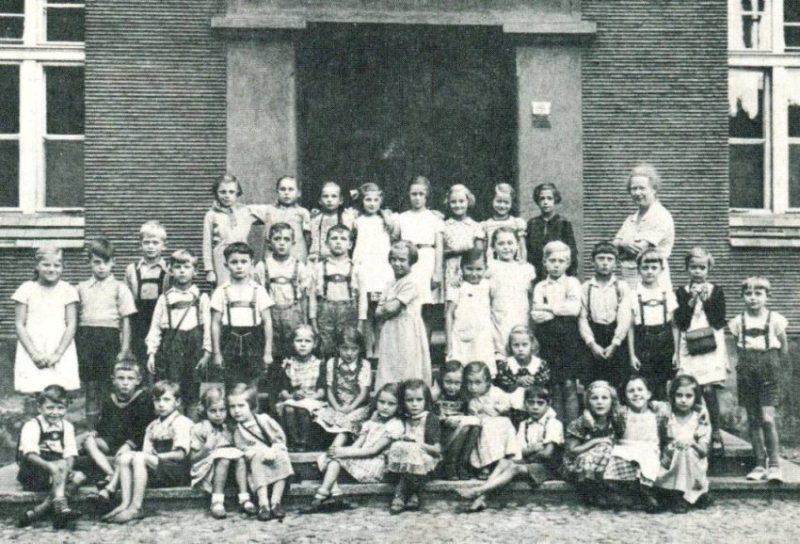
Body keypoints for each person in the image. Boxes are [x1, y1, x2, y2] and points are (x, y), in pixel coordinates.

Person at [457, 385, 564, 513]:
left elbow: (547, 454)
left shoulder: (553, 424)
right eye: (531, 403)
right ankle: (481, 499)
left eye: (540, 403)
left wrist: (528, 452)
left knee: (514, 467)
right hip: (530, 464)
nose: (535, 407)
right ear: (525, 404)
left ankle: (479, 490)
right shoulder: (524, 424)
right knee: (503, 462)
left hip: (549, 468)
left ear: (548, 404)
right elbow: (519, 451)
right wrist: (533, 449)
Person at [102, 381, 193, 524]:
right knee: (126, 457)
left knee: (138, 457)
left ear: (178, 402)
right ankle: (125, 504)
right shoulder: (152, 425)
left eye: (166, 400)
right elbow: (145, 453)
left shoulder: (182, 422)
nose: (161, 404)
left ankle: (136, 507)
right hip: (157, 470)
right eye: (157, 400)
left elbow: (180, 455)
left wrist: (156, 456)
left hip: (176, 470)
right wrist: (147, 457)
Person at [727, 276, 788, 483]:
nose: (753, 298)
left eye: (758, 293)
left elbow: (783, 349)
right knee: (753, 420)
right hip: (747, 372)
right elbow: (738, 348)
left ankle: (774, 465)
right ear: (743, 296)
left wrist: (776, 371)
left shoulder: (776, 320)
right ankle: (759, 463)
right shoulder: (737, 323)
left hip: (769, 371)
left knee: (767, 419)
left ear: (767, 297)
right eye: (748, 294)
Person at [310, 382, 404, 512]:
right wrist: (343, 451)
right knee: (327, 456)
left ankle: (322, 494)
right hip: (362, 459)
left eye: (391, 404)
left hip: (375, 465)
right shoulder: (371, 422)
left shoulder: (395, 426)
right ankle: (335, 493)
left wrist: (343, 453)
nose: (385, 407)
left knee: (336, 458)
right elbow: (357, 444)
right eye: (382, 402)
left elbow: (373, 451)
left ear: (399, 407)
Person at [673, 247, 729, 455]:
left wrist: (706, 301)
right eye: (693, 267)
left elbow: (718, 321)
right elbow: (681, 322)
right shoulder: (681, 292)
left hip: (711, 343)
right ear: (687, 268)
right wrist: (690, 301)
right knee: (691, 387)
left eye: (702, 268)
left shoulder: (717, 290)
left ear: (709, 269)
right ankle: (693, 430)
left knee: (708, 389)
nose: (697, 271)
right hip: (690, 342)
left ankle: (715, 432)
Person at [76, 237, 137, 425]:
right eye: (97, 262)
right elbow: (73, 318)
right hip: (86, 338)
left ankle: (110, 430)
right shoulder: (80, 288)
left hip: (109, 339)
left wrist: (125, 348)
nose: (102, 267)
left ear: (114, 262)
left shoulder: (121, 288)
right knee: (91, 389)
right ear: (89, 263)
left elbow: (126, 320)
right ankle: (91, 430)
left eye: (106, 262)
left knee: (111, 388)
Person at [146, 249, 211, 411]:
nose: (182, 271)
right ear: (170, 270)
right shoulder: (165, 298)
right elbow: (155, 327)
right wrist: (152, 353)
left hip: (194, 347)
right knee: (173, 388)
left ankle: (192, 430)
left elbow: (208, 327)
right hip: (172, 347)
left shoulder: (201, 297)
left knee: (193, 391)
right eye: (177, 267)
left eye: (187, 267)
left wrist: (207, 352)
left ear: (195, 271)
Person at [16, 385, 85, 529]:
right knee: (59, 463)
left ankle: (42, 510)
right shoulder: (32, 425)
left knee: (79, 476)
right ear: (39, 408)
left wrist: (67, 469)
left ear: (66, 408)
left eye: (60, 408)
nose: (55, 412)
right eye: (50, 408)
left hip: (58, 471)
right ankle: (58, 506)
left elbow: (70, 453)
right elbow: (29, 455)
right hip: (34, 471)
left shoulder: (67, 427)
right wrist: (52, 467)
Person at [13, 245, 80, 394]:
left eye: (57, 265)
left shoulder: (68, 290)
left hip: (60, 348)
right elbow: (19, 324)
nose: (51, 269)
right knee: (35, 393)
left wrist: (58, 354)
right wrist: (34, 354)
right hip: (33, 348)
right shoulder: (26, 289)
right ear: (37, 265)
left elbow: (71, 324)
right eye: (46, 264)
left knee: (58, 394)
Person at [84, 358, 154, 498]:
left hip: (133, 443)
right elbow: (104, 425)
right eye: (121, 378)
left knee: (124, 453)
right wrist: (95, 433)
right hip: (112, 441)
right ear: (114, 380)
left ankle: (112, 480)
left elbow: (145, 428)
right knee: (88, 441)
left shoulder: (143, 399)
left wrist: (130, 444)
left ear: (138, 380)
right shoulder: (110, 399)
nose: (125, 383)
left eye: (130, 378)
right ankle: (110, 473)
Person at [210, 242, 274, 389]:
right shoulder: (221, 291)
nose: (239, 266)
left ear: (251, 264)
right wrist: (217, 353)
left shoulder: (258, 290)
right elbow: (215, 323)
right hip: (229, 340)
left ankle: (252, 410)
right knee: (232, 385)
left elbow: (267, 321)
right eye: (234, 262)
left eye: (243, 262)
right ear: (226, 265)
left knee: (252, 385)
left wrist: (267, 352)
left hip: (254, 340)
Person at [531, 240, 583, 423]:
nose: (556, 265)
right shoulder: (540, 287)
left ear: (568, 263)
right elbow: (536, 314)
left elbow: (574, 309)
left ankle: (572, 430)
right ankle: (555, 431)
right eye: (552, 261)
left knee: (569, 385)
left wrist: (549, 309)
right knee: (551, 385)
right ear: (544, 262)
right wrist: (559, 309)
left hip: (568, 338)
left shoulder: (572, 282)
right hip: (547, 339)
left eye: (561, 261)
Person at [229, 383, 294, 522]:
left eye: (241, 406)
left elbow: (280, 438)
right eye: (232, 407)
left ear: (252, 406)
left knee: (282, 454)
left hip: (272, 453)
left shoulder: (264, 419)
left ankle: (276, 502)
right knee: (257, 458)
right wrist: (259, 452)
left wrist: (274, 449)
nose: (236, 411)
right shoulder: (237, 429)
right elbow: (243, 449)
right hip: (256, 461)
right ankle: (263, 504)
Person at [602, 375, 667, 512]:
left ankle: (646, 495)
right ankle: (623, 496)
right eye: (631, 391)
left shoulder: (658, 412)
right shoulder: (621, 413)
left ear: (649, 394)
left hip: (649, 450)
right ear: (625, 397)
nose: (636, 394)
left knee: (648, 466)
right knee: (616, 463)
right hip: (626, 449)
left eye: (640, 390)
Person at [374, 241, 431, 390]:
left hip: (407, 330)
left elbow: (391, 308)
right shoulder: (389, 283)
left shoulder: (412, 282)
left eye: (402, 260)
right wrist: (388, 307)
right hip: (390, 330)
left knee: (407, 364)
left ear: (411, 261)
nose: (397, 264)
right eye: (394, 259)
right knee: (390, 364)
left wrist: (388, 306)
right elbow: (377, 312)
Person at [189, 387, 250, 519]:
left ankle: (244, 498)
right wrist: (207, 447)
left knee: (239, 458)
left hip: (232, 473)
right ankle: (216, 501)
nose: (218, 414)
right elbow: (193, 459)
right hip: (208, 472)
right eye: (213, 411)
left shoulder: (230, 427)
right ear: (204, 411)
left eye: (222, 410)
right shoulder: (200, 429)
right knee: (224, 458)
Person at [254, 222, 310, 364]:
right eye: (277, 239)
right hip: (270, 315)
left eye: (286, 239)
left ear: (293, 242)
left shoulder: (299, 266)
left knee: (294, 350)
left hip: (293, 313)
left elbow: (304, 296)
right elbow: (256, 295)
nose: (281, 243)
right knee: (271, 351)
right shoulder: (262, 266)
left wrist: (304, 320)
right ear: (269, 242)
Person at [579, 242, 632, 392]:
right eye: (600, 258)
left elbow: (625, 316)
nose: (604, 263)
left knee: (618, 383)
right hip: (594, 337)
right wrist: (591, 344)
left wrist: (615, 343)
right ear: (592, 261)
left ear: (616, 263)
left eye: (609, 259)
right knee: (593, 384)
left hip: (616, 338)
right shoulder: (586, 287)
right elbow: (582, 318)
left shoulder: (621, 286)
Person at [352, 182, 397, 358]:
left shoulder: (386, 221)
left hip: (381, 269)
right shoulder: (357, 221)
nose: (371, 203)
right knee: (367, 312)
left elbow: (394, 232)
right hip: (365, 269)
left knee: (380, 311)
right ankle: (369, 350)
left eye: (375, 200)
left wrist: (386, 216)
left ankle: (380, 350)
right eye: (367, 199)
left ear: (381, 201)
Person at [613, 163, 674, 290]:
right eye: (633, 189)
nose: (637, 193)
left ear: (654, 189)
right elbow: (613, 247)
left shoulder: (660, 215)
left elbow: (639, 249)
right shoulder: (631, 219)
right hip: (629, 280)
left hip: (654, 282)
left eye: (642, 188)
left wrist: (622, 244)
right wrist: (624, 245)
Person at [395, 176, 444, 337]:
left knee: (426, 307)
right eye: (413, 194)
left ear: (426, 196)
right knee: (409, 303)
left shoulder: (434, 218)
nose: (417, 198)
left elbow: (439, 247)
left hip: (427, 261)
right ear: (408, 195)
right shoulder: (401, 218)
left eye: (421, 194)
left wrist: (437, 272)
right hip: (409, 261)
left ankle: (426, 348)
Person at [655, 375, 712, 512]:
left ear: (695, 397)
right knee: (679, 451)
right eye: (679, 395)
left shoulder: (699, 417)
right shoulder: (667, 414)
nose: (683, 400)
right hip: (669, 461)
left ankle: (683, 496)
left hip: (693, 460)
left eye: (688, 396)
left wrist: (692, 443)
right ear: (673, 396)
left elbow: (704, 450)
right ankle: (677, 493)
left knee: (685, 451)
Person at [202, 174, 270, 286]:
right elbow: (207, 244)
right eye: (223, 192)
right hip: (221, 259)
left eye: (231, 192)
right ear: (216, 193)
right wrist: (209, 270)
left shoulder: (246, 211)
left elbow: (271, 213)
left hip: (242, 256)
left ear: (237, 193)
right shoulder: (211, 215)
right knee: (224, 290)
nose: (227, 196)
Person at [628, 248, 678, 400]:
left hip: (664, 344)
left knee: (662, 387)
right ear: (638, 270)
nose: (649, 272)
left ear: (661, 270)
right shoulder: (633, 294)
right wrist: (632, 355)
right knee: (644, 385)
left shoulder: (668, 294)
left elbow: (675, 326)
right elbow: (630, 327)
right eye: (645, 268)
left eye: (654, 268)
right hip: (643, 344)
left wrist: (676, 352)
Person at [386, 379, 441, 514]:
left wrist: (417, 444)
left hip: (428, 461)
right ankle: (413, 495)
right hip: (404, 462)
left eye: (419, 400)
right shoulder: (403, 418)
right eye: (409, 400)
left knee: (413, 452)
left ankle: (400, 495)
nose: (414, 404)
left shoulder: (430, 419)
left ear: (426, 400)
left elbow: (437, 450)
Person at [561, 380, 619, 507]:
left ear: (612, 401)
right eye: (594, 398)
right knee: (604, 446)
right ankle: (592, 490)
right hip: (577, 466)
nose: (600, 402)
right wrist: (596, 441)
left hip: (605, 465)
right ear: (588, 402)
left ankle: (604, 488)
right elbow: (572, 451)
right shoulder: (580, 423)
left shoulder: (615, 421)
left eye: (604, 398)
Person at [314, 326, 372, 447]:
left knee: (349, 420)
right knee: (321, 416)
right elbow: (329, 389)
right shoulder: (332, 363)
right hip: (337, 404)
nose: (349, 353)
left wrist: (351, 407)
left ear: (360, 349)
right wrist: (336, 406)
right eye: (345, 348)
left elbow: (363, 392)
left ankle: (339, 445)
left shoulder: (364, 365)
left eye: (354, 349)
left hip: (356, 406)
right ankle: (329, 443)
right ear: (337, 348)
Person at [309, 224, 360, 360]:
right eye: (334, 238)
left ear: (350, 244)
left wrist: (361, 321)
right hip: (325, 311)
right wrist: (313, 319)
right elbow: (312, 296)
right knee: (325, 346)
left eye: (343, 239)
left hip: (348, 311)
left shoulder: (355, 267)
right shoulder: (319, 267)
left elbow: (362, 298)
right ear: (326, 243)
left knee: (346, 343)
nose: (338, 242)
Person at [125, 221, 171, 368]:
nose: (150, 246)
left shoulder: (169, 270)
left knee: (160, 363)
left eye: (155, 242)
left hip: (161, 322)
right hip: (138, 323)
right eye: (146, 242)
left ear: (164, 245)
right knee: (139, 362)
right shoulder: (131, 270)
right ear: (140, 245)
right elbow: (126, 301)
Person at [464, 361, 520, 479]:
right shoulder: (472, 400)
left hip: (500, 424)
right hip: (485, 425)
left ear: (488, 382)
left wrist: (497, 408)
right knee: (483, 427)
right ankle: (486, 464)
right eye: (470, 383)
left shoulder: (497, 393)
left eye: (478, 383)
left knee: (501, 425)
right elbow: (472, 414)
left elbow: (507, 407)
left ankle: (507, 458)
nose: (473, 387)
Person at [487, 227, 536, 359]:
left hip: (520, 315)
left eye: (510, 243)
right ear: (493, 247)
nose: (506, 247)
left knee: (520, 348)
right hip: (498, 317)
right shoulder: (490, 267)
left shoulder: (526, 268)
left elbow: (532, 295)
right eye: (501, 244)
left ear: (517, 245)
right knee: (500, 350)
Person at [445, 248, 495, 376]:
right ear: (462, 268)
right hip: (461, 335)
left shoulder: (487, 284)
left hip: (482, 335)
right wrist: (449, 343)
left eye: (479, 269)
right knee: (461, 368)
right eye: (469, 269)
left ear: (485, 269)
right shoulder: (457, 286)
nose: (474, 274)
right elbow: (449, 314)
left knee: (480, 369)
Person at [276, 324, 325, 451]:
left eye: (307, 341)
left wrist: (310, 396)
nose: (303, 345)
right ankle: (292, 441)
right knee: (289, 409)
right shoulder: (288, 364)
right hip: (293, 399)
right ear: (293, 343)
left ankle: (304, 442)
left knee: (303, 409)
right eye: (299, 341)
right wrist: (291, 396)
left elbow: (321, 391)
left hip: (312, 399)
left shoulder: (318, 364)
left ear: (314, 344)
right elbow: (283, 390)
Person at [432, 360, 480, 480]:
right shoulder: (438, 396)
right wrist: (443, 420)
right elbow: (431, 417)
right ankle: (450, 464)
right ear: (441, 380)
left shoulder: (463, 397)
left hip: (460, 430)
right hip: (443, 433)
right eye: (448, 382)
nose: (452, 387)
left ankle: (462, 464)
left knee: (474, 427)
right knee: (464, 428)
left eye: (457, 383)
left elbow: (469, 414)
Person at [493, 325, 550, 422]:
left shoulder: (540, 364)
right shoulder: (506, 365)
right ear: (510, 346)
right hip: (512, 407)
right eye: (516, 345)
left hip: (535, 404)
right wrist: (517, 382)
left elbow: (544, 385)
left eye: (524, 345)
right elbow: (504, 387)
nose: (520, 349)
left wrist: (533, 383)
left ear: (532, 345)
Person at [442, 184, 486, 305]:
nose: (458, 205)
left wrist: (457, 251)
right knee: (452, 304)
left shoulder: (475, 226)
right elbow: (440, 252)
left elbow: (478, 250)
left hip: (470, 270)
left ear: (468, 201)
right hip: (450, 271)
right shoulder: (444, 226)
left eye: (461, 201)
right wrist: (462, 249)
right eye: (453, 202)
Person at [526, 182, 578, 280]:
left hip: (558, 274)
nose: (546, 202)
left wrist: (570, 277)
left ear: (555, 200)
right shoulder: (532, 223)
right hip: (536, 275)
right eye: (542, 199)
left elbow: (572, 253)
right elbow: (527, 251)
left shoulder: (563, 223)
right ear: (537, 201)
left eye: (549, 198)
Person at [263, 175, 312, 263]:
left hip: (296, 252)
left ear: (298, 193)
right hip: (274, 254)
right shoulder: (270, 211)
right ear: (277, 192)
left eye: (290, 189)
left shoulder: (302, 212)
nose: (286, 193)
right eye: (283, 189)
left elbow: (308, 237)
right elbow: (267, 238)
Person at [309, 181, 357, 262]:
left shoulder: (348, 218)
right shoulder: (315, 219)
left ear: (341, 200)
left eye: (334, 196)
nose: (329, 200)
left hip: (341, 261)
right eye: (325, 196)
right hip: (319, 260)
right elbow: (313, 241)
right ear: (320, 200)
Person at [482, 182, 527, 262]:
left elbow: (522, 248)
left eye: (506, 202)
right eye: (498, 201)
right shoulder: (486, 225)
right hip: (493, 265)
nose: (502, 206)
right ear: (492, 200)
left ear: (511, 203)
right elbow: (484, 251)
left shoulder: (517, 223)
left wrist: (523, 265)